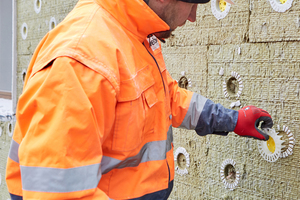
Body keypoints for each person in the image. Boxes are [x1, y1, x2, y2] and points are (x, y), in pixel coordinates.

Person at [6, 0, 273, 199]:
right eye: (192, 4)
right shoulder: (83, 59)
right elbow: (57, 192)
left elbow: (166, 98)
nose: (193, 16)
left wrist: (232, 120)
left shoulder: (132, 36)